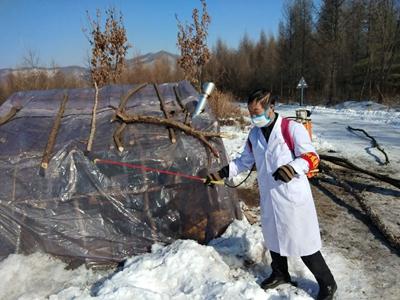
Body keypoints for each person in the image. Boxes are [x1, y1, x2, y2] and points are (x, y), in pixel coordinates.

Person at [205, 89, 337, 300]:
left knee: (302, 242)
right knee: (273, 237)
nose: (253, 117)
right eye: (250, 112)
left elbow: (312, 157)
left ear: (271, 107)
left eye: (256, 112)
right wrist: (221, 173)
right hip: (269, 196)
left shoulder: (291, 129)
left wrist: (293, 168)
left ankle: (328, 283)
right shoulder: (254, 134)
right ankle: (280, 273)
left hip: (292, 197)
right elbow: (244, 161)